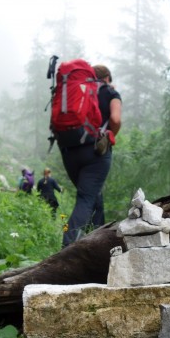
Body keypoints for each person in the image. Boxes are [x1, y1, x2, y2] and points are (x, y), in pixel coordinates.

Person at [59, 64, 122, 247]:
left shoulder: (77, 91)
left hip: (69, 150)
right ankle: (66, 249)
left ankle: (98, 242)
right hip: (95, 151)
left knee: (93, 196)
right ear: (108, 78)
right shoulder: (110, 92)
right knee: (86, 199)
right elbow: (116, 119)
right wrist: (110, 136)